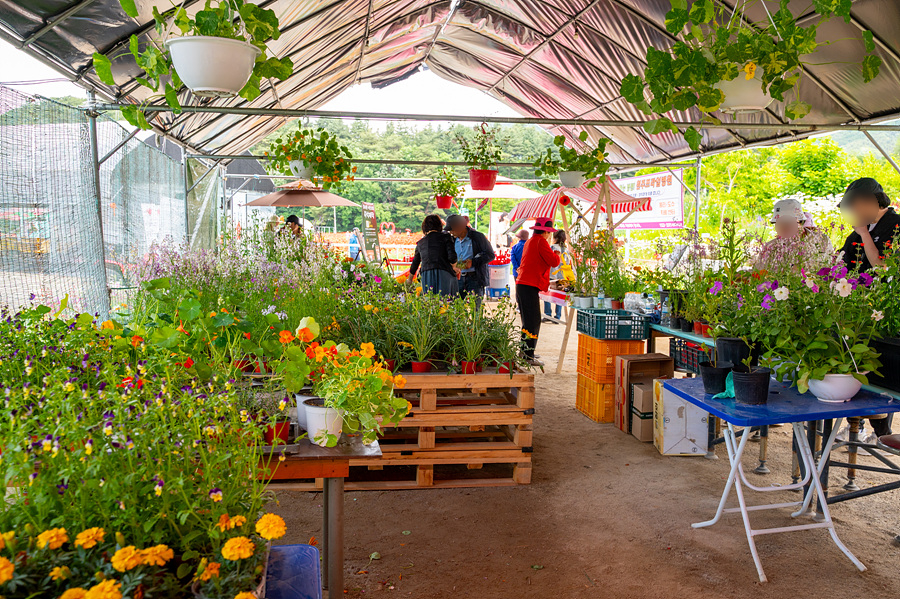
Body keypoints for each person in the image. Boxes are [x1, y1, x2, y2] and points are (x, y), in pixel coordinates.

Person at [516, 218, 561, 367]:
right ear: (546, 232)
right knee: (533, 321)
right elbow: (554, 261)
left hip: (523, 284)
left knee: (528, 321)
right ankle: (528, 355)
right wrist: (556, 252)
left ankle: (526, 351)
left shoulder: (530, 241)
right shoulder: (541, 242)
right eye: (549, 232)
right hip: (528, 285)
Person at [754, 198, 832, 273]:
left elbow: (829, 268)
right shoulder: (771, 247)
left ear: (801, 223)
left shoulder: (821, 240)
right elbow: (758, 272)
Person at [838, 177, 900, 272]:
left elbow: (883, 269)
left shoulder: (896, 225)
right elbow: (840, 260)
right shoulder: (859, 231)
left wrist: (864, 234)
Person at [445, 214, 495, 307]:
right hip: (458, 278)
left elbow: (490, 255)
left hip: (475, 277)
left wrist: (473, 262)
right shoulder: (451, 239)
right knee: (457, 308)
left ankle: (476, 322)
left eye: (452, 229)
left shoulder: (478, 237)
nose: (451, 232)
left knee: (476, 308)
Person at [409, 215, 459, 296]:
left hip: (426, 274)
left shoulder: (420, 243)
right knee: (445, 302)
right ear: (439, 225)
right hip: (444, 272)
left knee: (430, 302)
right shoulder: (446, 237)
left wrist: (409, 280)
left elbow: (415, 262)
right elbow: (452, 258)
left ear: (424, 227)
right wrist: (454, 267)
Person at [543, 230, 567, 323]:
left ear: (555, 237)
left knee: (547, 294)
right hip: (563, 274)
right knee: (559, 295)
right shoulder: (566, 249)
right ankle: (557, 316)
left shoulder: (552, 247)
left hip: (552, 274)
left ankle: (548, 314)